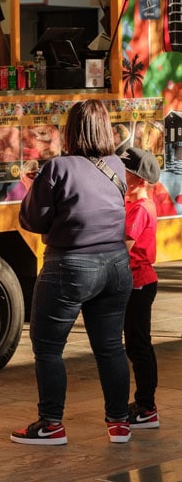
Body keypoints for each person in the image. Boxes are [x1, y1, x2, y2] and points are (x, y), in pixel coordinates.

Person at [11, 99, 133, 446]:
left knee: (48, 348)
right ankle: (119, 423)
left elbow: (34, 221)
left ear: (70, 131)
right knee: (110, 347)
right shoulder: (117, 165)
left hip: (70, 266)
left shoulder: (57, 168)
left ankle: (51, 425)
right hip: (116, 265)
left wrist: (30, 187)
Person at [120, 146, 161, 429]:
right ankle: (144, 404)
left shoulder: (141, 209)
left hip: (140, 284)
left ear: (140, 180)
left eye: (126, 172)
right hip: (134, 284)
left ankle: (147, 407)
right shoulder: (130, 203)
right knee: (135, 345)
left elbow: (123, 247)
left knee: (139, 346)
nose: (121, 175)